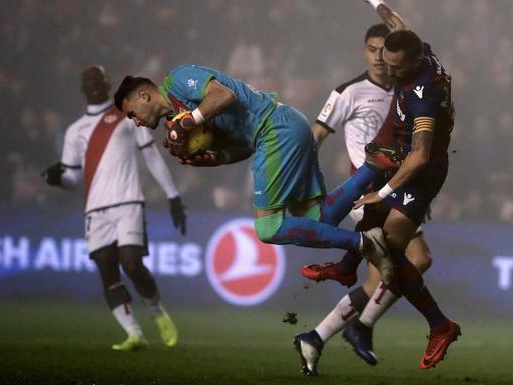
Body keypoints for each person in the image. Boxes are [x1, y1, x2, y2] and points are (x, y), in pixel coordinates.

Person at [113, 64, 394, 275]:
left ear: (143, 95)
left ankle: (364, 243)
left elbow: (224, 96)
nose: (134, 121)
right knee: (317, 220)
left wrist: (190, 121)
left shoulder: (177, 81)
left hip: (275, 129)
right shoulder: (177, 116)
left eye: (131, 113)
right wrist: (215, 158)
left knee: (268, 227)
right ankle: (372, 168)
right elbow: (244, 148)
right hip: (283, 129)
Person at [323, 0, 461, 370]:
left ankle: (438, 324)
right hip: (404, 164)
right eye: (386, 60)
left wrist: (382, 192)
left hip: (422, 173)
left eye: (397, 67)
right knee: (383, 242)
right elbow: (396, 21)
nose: (389, 71)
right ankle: (349, 269)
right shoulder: (419, 50)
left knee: (390, 248)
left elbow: (420, 156)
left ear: (413, 64)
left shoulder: (422, 95)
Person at [293, 22, 434, 376]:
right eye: (372, 49)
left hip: (400, 192)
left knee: (380, 280)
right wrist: (302, 184)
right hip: (368, 196)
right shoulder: (349, 92)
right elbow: (315, 137)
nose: (378, 57)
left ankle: (316, 337)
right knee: (416, 260)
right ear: (364, 51)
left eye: (383, 50)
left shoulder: (406, 89)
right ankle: (361, 326)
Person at [43, 66, 185, 351]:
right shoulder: (74, 131)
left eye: (99, 78)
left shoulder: (127, 115)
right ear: (83, 88)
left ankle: (157, 311)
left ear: (108, 84)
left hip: (128, 202)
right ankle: (134, 334)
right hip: (95, 210)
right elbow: (72, 178)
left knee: (132, 265)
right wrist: (58, 179)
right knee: (108, 274)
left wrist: (173, 195)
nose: (94, 83)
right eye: (89, 80)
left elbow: (152, 156)